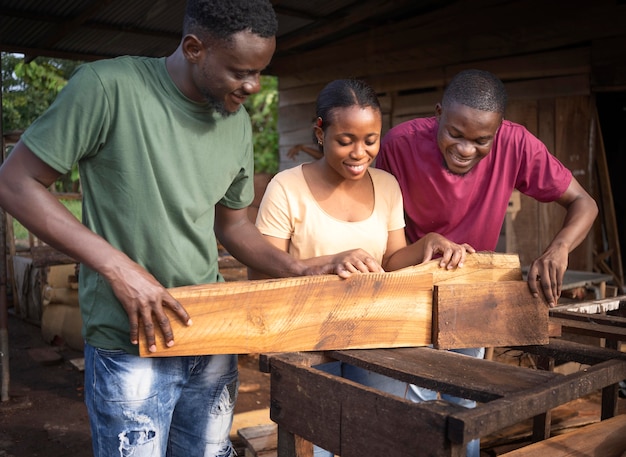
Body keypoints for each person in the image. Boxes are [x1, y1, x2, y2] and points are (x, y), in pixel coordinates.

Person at [0, 2, 375, 456]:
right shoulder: (107, 88)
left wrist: (296, 267)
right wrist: (120, 269)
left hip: (209, 332)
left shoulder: (235, 122)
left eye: (260, 71)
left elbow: (234, 225)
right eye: (240, 71)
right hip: (130, 342)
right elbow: (15, 182)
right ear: (195, 48)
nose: (253, 86)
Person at [377, 68, 599, 457]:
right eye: (455, 134)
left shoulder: (517, 144)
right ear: (438, 113)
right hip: (410, 291)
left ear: (499, 130)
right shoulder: (399, 144)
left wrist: (558, 248)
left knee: (465, 399)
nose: (466, 149)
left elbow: (584, 203)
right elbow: (373, 221)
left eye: (482, 140)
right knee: (414, 401)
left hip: (473, 293)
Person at [250, 78, 473, 457]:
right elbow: (261, 274)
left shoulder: (386, 185)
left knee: (376, 437)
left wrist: (428, 244)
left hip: (372, 333)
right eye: (345, 140)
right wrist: (329, 261)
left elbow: (390, 261)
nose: (360, 153)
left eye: (371, 140)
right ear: (320, 132)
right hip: (306, 339)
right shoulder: (286, 187)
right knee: (318, 444)